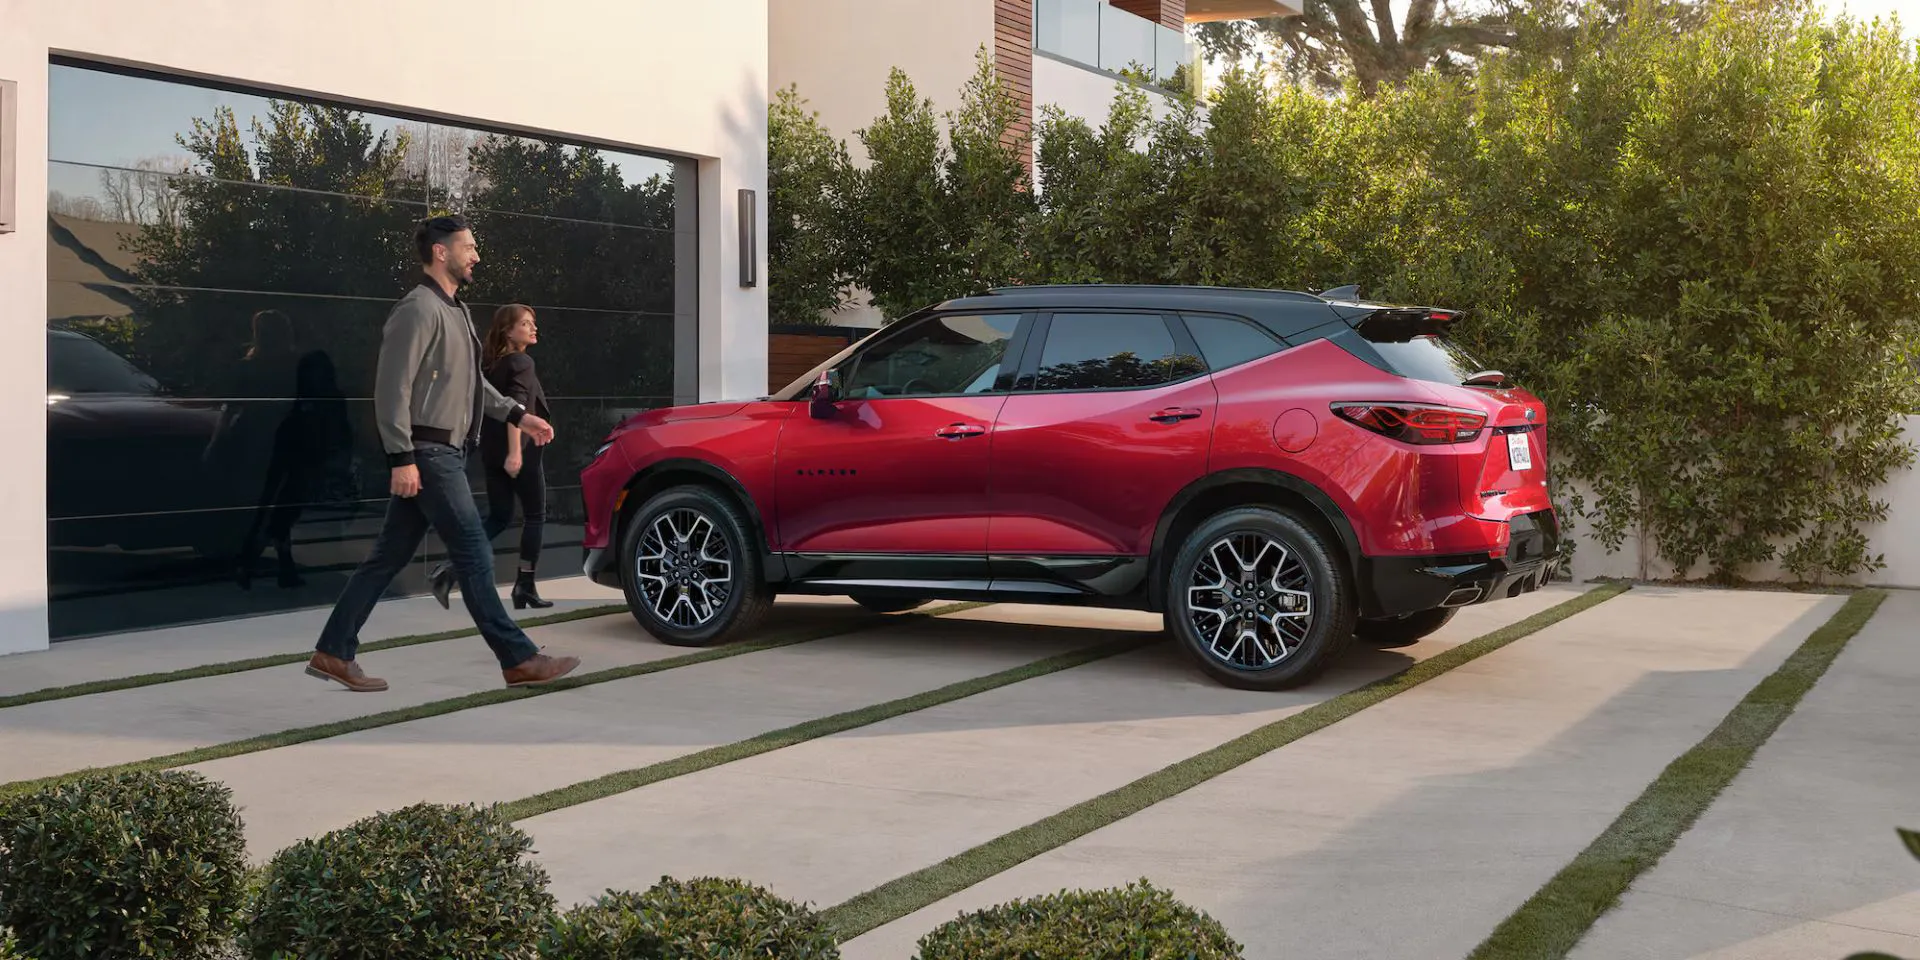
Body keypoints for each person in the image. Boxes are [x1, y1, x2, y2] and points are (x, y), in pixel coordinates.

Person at [305, 215, 580, 693]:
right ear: (440, 252)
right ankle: (518, 658)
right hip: (428, 453)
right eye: (468, 247)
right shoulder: (417, 309)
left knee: (385, 559)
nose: (476, 255)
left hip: (442, 452)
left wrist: (519, 415)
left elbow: (474, 386)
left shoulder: (456, 312)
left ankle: (333, 651)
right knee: (474, 552)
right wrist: (400, 457)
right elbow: (392, 388)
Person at [428, 304, 552, 610]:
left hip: (491, 453)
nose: (533, 328)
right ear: (508, 331)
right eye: (525, 324)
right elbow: (516, 408)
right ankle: (524, 585)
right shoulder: (522, 362)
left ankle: (449, 570)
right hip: (519, 451)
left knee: (498, 517)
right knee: (535, 516)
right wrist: (515, 454)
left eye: (533, 323)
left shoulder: (489, 365)